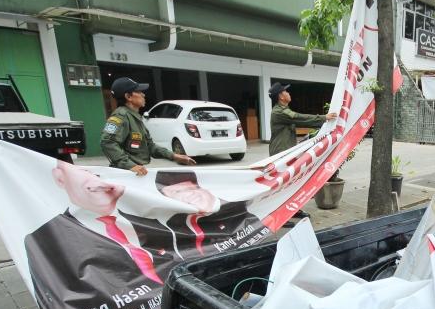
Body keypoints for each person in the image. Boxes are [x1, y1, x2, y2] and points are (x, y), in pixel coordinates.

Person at [24, 161, 177, 309]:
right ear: (60, 179)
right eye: (85, 173)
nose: (97, 182)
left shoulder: (152, 220)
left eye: (99, 175)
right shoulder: (46, 239)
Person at [123, 171, 265, 260]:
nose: (190, 194)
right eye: (178, 193)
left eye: (192, 188)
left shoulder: (238, 212)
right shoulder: (163, 232)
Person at [268, 82, 337, 219]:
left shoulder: (282, 110)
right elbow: (300, 118)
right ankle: (279, 216)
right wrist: (324, 118)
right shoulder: (279, 112)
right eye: (286, 92)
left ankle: (292, 211)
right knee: (282, 185)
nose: (288, 93)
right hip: (280, 153)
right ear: (281, 96)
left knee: (289, 183)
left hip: (286, 151)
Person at [101, 77, 196, 175]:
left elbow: (150, 146)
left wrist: (174, 156)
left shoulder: (135, 117)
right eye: (138, 91)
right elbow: (108, 142)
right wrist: (130, 165)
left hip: (134, 172)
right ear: (128, 96)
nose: (143, 94)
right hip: (125, 173)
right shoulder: (121, 116)